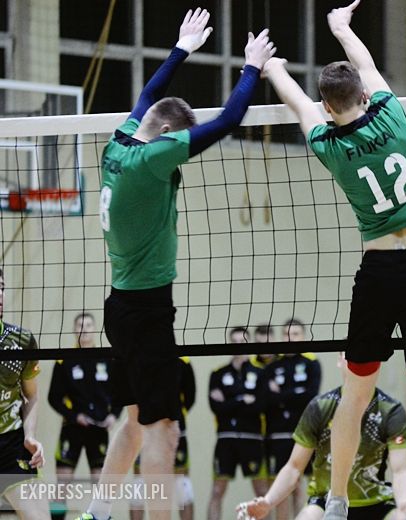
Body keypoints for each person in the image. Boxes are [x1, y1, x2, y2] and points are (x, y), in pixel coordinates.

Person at [82, 8, 276, 520]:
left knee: (133, 419)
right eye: (175, 139)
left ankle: (97, 512)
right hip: (146, 312)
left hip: (120, 308)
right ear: (167, 133)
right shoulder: (152, 159)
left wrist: (182, 49)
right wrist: (251, 66)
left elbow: (147, 98)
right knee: (163, 428)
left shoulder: (120, 142)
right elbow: (230, 121)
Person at [262, 2, 406, 518]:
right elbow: (363, 65)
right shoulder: (391, 111)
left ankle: (338, 497)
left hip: (379, 272)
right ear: (365, 97)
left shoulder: (325, 141)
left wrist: (270, 64)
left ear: (329, 108)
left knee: (354, 393)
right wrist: (340, 27)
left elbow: (298, 101)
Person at [237, 354, 406, 520]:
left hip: (376, 502)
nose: (354, 361)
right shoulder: (320, 406)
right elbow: (294, 467)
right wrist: (268, 502)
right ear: (339, 360)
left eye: (361, 357)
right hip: (324, 500)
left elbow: (400, 470)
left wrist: (404, 507)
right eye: (348, 356)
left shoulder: (390, 410)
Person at [48, 313, 116, 520]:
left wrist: (114, 415)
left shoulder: (107, 358)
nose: (84, 329)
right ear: (74, 330)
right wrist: (74, 415)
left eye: (88, 325)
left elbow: (122, 393)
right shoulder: (64, 361)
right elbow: (54, 398)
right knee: (63, 484)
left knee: (101, 484)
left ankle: (98, 517)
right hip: (72, 428)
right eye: (80, 325)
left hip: (99, 430)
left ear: (94, 329)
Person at [0, 268, 49, 519]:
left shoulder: (21, 340)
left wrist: (30, 436)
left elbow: (31, 395)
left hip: (11, 444)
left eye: (1, 287)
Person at [263, 319, 321, 520]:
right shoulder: (273, 366)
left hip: (304, 435)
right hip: (278, 435)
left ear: (303, 336)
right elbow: (268, 400)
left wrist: (282, 396)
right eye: (287, 334)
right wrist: (295, 394)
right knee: (281, 489)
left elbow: (311, 395)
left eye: (295, 334)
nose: (291, 338)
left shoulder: (311, 363)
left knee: (300, 487)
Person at [208, 327, 268, 520]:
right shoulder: (217, 373)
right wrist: (242, 399)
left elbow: (260, 405)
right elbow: (215, 407)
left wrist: (228, 400)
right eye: (235, 342)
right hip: (226, 439)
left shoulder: (260, 373)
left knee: (262, 493)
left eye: (242, 342)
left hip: (252, 439)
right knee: (217, 491)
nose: (239, 346)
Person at [129, 356, 196, 520]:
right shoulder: (135, 357)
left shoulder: (183, 362)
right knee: (139, 486)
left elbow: (190, 397)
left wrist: (171, 417)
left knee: (182, 486)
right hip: (145, 430)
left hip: (173, 429)